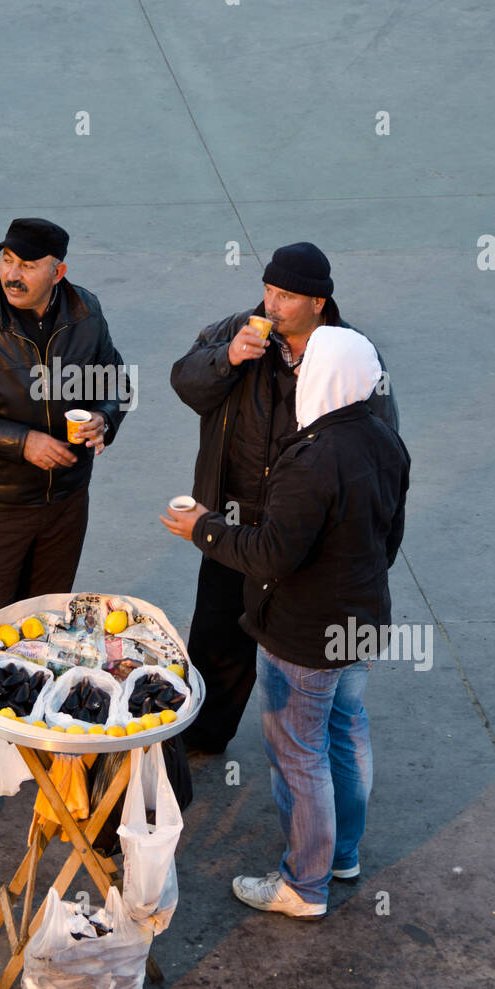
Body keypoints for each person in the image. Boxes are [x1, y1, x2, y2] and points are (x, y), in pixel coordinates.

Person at [161, 325, 410, 917]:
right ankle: (343, 855)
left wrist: (204, 528)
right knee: (347, 731)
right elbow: (390, 538)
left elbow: (270, 554)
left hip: (304, 632)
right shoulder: (385, 440)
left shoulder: (306, 459)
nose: (296, 375)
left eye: (306, 368)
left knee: (299, 754)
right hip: (365, 619)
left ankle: (304, 885)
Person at [0, 218, 129, 819]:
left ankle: (29, 750)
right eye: (7, 259)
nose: (12, 273)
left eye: (28, 264)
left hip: (65, 502)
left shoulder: (86, 313)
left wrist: (104, 421)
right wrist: (22, 443)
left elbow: (112, 380)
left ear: (57, 272)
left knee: (42, 629)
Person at [170, 242, 399, 756]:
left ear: (318, 303)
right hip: (234, 521)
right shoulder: (237, 332)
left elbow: (380, 443)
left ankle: (309, 749)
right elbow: (185, 382)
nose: (271, 305)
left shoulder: (349, 354)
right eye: (268, 290)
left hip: (303, 530)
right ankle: (204, 738)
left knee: (298, 654)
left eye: (287, 295)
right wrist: (227, 360)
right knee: (217, 639)